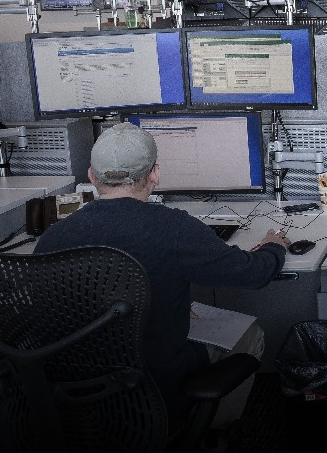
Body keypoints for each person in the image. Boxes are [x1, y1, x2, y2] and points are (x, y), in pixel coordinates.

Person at [35, 123, 291, 432]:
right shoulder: (173, 228)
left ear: (91, 176)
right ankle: (205, 433)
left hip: (75, 396)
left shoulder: (52, 239)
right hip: (156, 385)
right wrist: (274, 247)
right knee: (251, 335)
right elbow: (254, 273)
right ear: (155, 173)